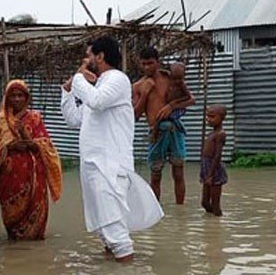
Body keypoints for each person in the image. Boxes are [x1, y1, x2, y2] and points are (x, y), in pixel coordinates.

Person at [62, 37, 164, 262]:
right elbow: (74, 118)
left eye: (89, 56)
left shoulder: (118, 80)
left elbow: (97, 101)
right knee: (105, 233)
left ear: (100, 56)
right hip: (93, 167)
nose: (85, 60)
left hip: (109, 167)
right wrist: (68, 90)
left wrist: (79, 77)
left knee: (116, 235)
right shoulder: (97, 86)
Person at [0, 80, 63, 240]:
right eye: (13, 96)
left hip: (34, 176)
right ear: (7, 98)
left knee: (36, 227)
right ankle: (17, 254)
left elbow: (45, 146)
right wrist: (10, 146)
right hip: (10, 178)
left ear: (27, 98)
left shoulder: (35, 118)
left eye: (20, 95)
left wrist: (24, 135)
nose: (16, 99)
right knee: (13, 229)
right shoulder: (2, 120)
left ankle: (35, 254)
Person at [133, 47, 195, 204]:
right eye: (144, 64)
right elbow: (135, 115)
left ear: (158, 62)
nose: (147, 67)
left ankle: (180, 210)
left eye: (150, 63)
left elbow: (191, 100)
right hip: (156, 131)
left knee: (178, 171)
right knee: (155, 174)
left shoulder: (170, 78)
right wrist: (145, 93)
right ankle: (155, 210)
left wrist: (171, 106)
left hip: (174, 129)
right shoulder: (138, 86)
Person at [200, 105, 228, 217]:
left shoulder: (220, 134)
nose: (208, 119)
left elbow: (217, 156)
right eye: (207, 116)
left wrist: (210, 175)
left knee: (215, 204)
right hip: (206, 168)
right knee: (205, 203)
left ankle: (217, 221)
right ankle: (211, 224)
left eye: (212, 116)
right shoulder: (211, 133)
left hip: (214, 170)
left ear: (221, 118)